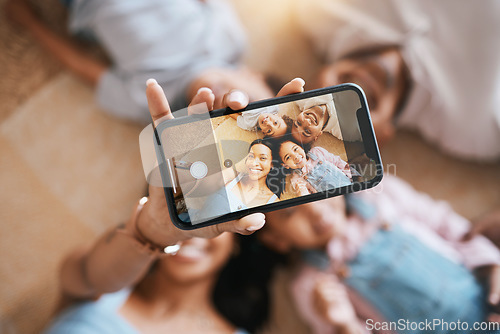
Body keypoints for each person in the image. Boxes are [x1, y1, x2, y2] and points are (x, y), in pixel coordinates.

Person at [42, 77, 305, 333]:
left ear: (237, 240)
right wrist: (154, 230)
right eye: (191, 207)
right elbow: (88, 275)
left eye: (213, 212)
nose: (191, 236)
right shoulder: (103, 287)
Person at [260, 175, 500, 334]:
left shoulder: (378, 194)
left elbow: (446, 224)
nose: (313, 209)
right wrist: (344, 324)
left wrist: (492, 267)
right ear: (276, 239)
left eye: (311, 185)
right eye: (290, 212)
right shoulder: (310, 285)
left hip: (483, 297)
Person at [5, 0, 274, 122]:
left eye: (225, 116)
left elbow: (81, 65)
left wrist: (30, 23)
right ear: (253, 76)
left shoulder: (152, 102)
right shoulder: (231, 40)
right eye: (245, 102)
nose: (227, 102)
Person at [296, 0, 500, 160]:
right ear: (380, 140)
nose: (346, 101)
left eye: (321, 110)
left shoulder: (321, 10)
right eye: (342, 130)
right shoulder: (471, 129)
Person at [276, 137, 352, 196]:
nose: (295, 156)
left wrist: (349, 175)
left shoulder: (316, 152)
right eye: (288, 157)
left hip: (348, 184)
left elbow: (337, 161)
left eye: (295, 149)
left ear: (301, 147)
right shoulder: (296, 179)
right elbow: (308, 198)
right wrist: (302, 192)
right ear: (285, 165)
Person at [230, 106, 294, 138]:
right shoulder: (274, 107)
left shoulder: (249, 124)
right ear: (278, 116)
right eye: (275, 123)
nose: (268, 123)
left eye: (269, 130)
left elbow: (231, 113)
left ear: (264, 132)